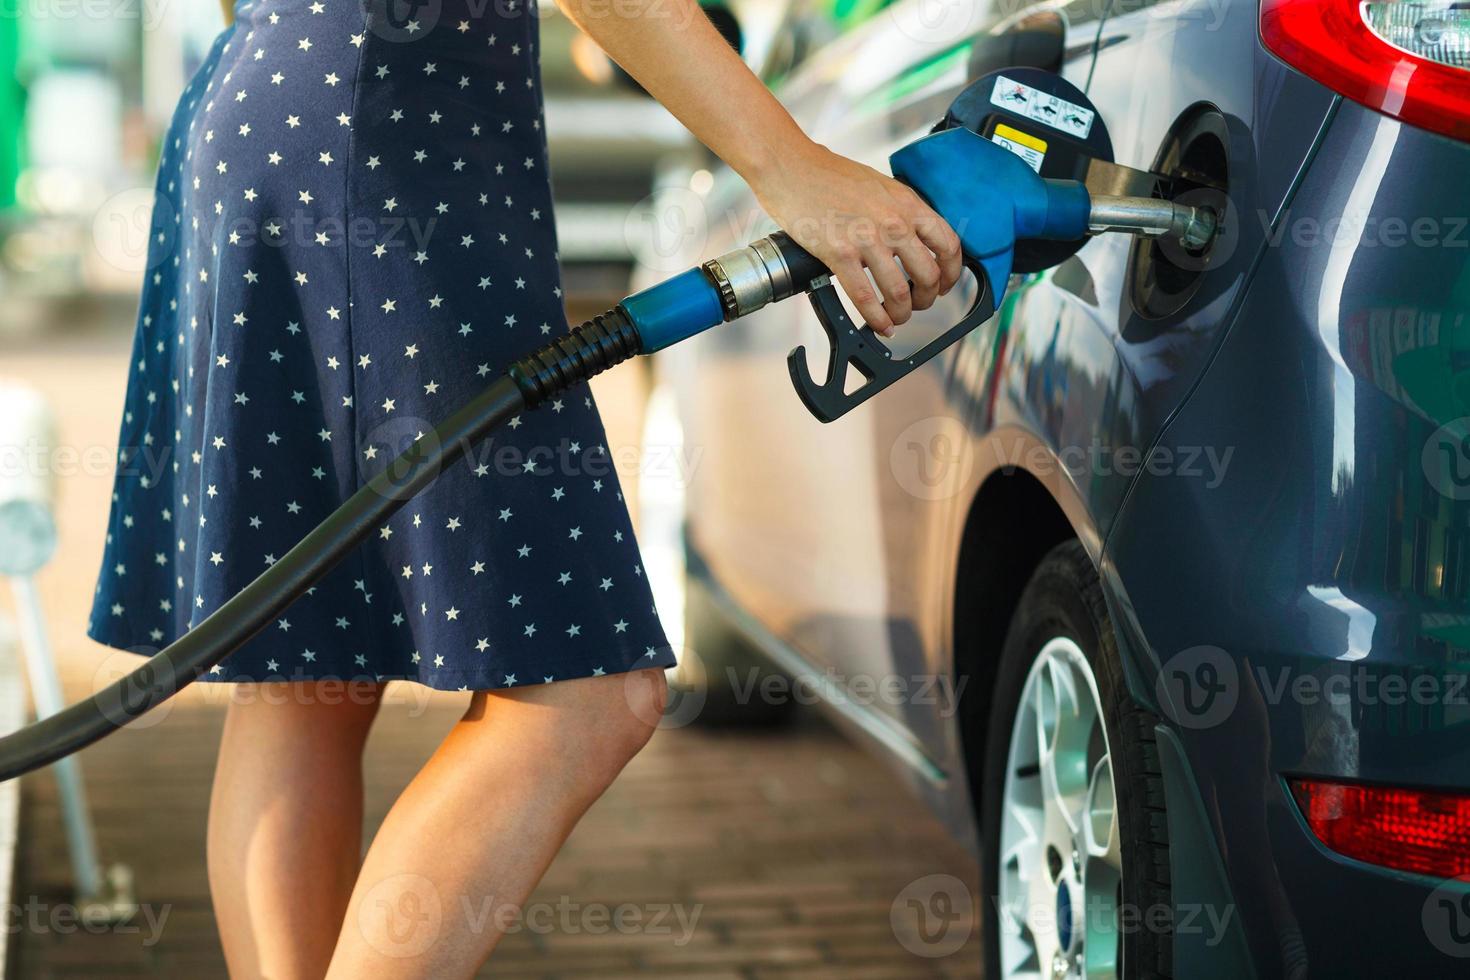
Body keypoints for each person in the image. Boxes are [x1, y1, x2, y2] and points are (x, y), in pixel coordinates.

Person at [87, 0, 961, 974]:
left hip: (280, 100)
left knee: (307, 675)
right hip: (386, 143)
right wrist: (792, 168)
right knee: (588, 693)